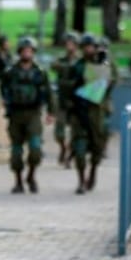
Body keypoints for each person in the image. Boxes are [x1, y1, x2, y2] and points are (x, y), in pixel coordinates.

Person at [0, 36, 54, 193]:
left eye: (30, 50)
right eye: (24, 50)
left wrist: (51, 111)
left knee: (35, 148)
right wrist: (4, 101)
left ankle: (31, 175)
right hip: (16, 114)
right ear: (19, 52)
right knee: (16, 152)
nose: (27, 53)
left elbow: (49, 93)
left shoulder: (40, 73)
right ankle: (18, 181)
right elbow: (3, 89)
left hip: (33, 114)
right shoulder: (11, 72)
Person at [67, 33, 114, 194]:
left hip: (97, 113)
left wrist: (104, 66)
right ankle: (81, 181)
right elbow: (67, 87)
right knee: (79, 149)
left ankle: (93, 170)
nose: (88, 49)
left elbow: (107, 86)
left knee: (97, 147)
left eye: (91, 47)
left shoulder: (103, 64)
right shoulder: (77, 66)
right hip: (80, 112)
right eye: (85, 47)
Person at [50, 31, 80, 168]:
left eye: (71, 43)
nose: (69, 46)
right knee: (59, 132)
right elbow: (53, 65)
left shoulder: (81, 61)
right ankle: (63, 146)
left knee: (76, 131)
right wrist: (67, 67)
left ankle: (69, 156)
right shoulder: (61, 60)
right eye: (67, 43)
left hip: (76, 100)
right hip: (62, 99)